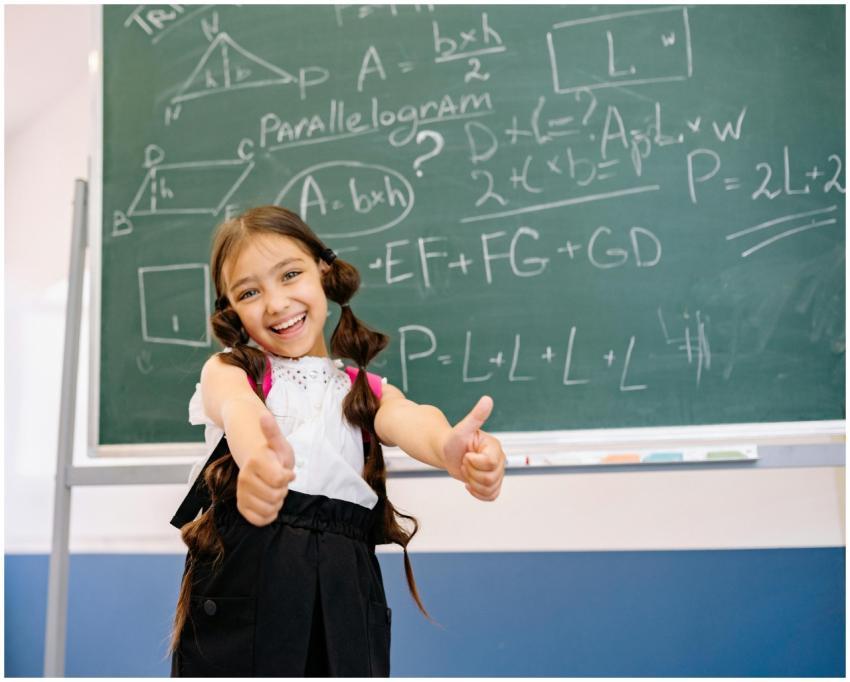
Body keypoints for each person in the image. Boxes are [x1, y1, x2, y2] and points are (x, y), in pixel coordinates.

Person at [168, 205, 506, 677]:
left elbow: (411, 418)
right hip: (248, 583)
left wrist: (449, 448)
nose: (276, 302)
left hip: (345, 585)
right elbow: (236, 409)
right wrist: (259, 457)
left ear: (324, 273)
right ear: (231, 311)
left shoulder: (359, 390)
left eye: (290, 274)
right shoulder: (233, 371)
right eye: (249, 292)